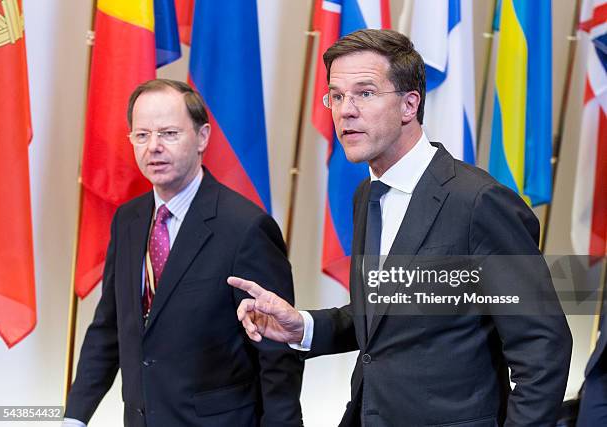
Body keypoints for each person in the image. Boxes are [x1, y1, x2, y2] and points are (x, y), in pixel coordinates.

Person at [228, 29, 572, 426]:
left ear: (410, 104)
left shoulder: (479, 203)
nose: (345, 111)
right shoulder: (367, 196)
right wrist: (301, 326)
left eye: (365, 93)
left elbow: (544, 349)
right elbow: (384, 318)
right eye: (336, 96)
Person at [64, 79, 303, 427]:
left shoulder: (246, 227)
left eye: (169, 133)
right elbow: (110, 327)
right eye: (142, 135)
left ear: (203, 137)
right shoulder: (128, 220)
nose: (154, 147)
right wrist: (75, 417)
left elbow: (277, 356)